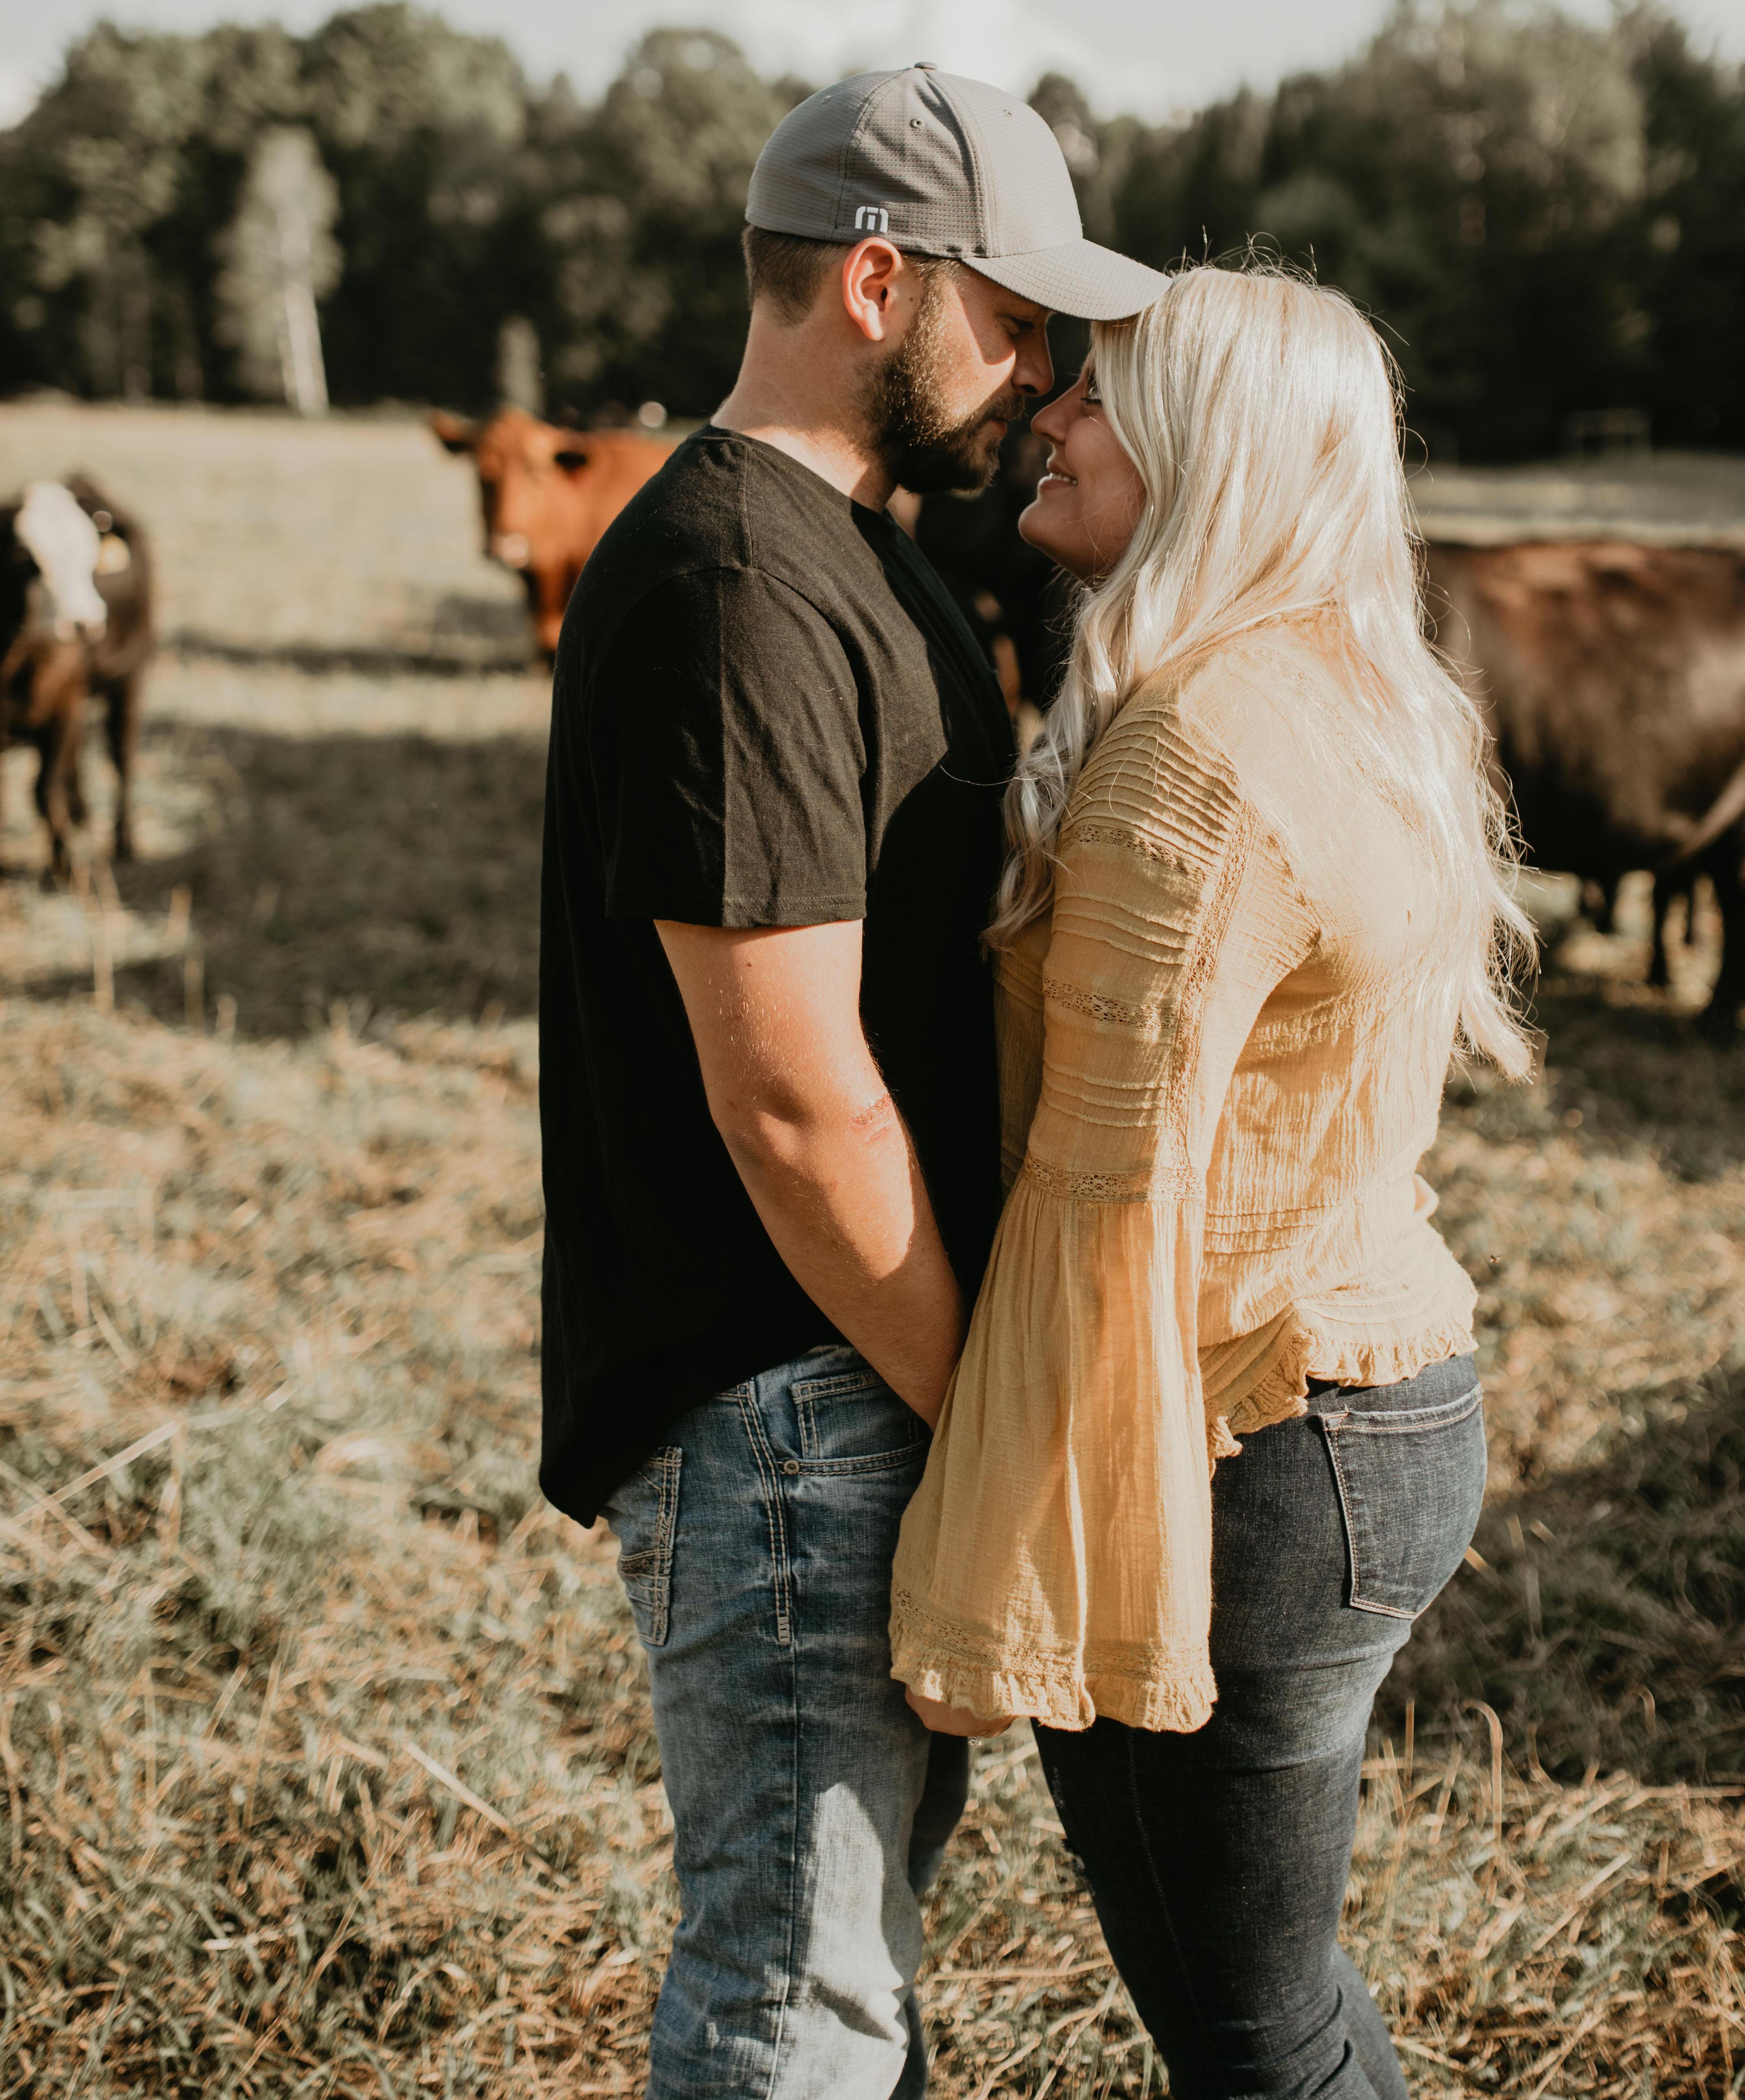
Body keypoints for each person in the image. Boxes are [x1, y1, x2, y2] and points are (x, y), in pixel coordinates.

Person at [535, 64, 1166, 2100]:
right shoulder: (739, 586)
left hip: (846, 1381)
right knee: (789, 1997)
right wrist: (978, 1377)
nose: (1042, 367)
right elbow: (791, 1095)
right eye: (1018, 313)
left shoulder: (865, 560)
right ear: (883, 283)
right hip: (789, 1401)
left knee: (852, 1968)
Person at [890, 266, 1536, 2098]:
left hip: (1256, 1426)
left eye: (1100, 397)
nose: (1049, 415)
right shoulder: (1354, 692)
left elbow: (1107, 1209)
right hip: (1371, 1394)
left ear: (1211, 454)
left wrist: (979, 1578)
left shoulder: (1191, 754)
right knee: (1277, 1993)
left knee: (1253, 2026)